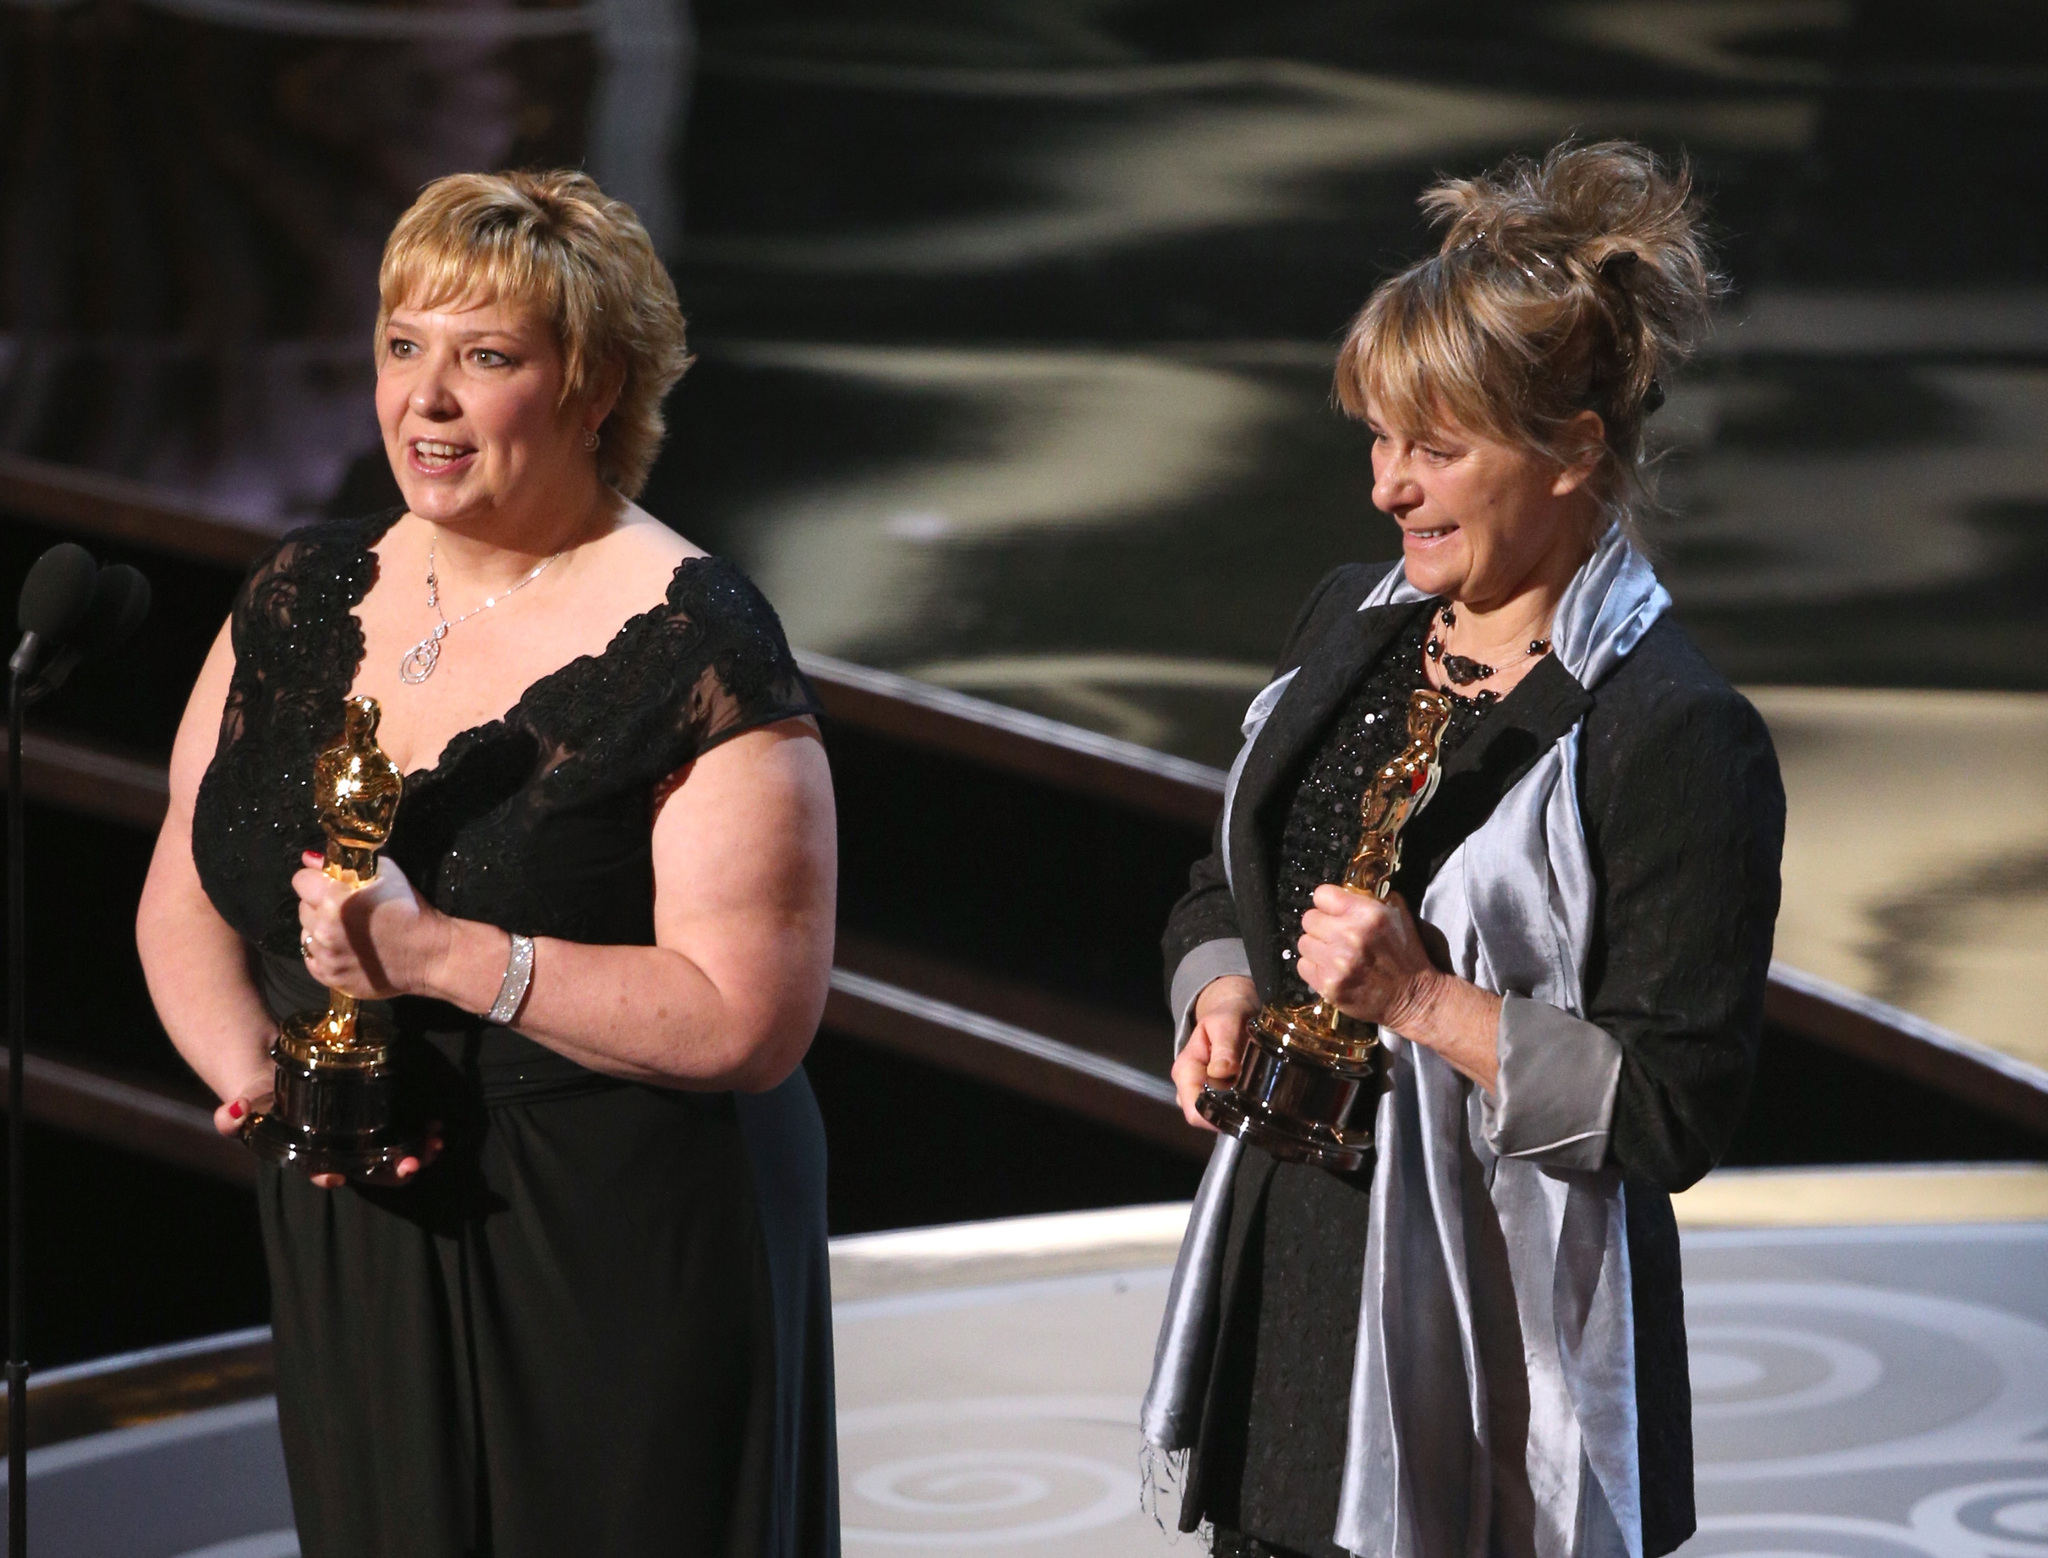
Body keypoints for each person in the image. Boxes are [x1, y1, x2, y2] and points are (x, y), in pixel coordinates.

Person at [135, 169, 840, 1558]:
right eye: (405, 347)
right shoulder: (299, 592)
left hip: (608, 1231)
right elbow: (185, 884)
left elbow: (749, 1016)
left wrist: (445, 958)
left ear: (595, 388)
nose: (427, 399)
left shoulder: (696, 639)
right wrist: (266, 1088)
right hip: (357, 1209)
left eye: (488, 358)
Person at [1142, 142, 1785, 1558]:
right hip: (1294, 1290)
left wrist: (1424, 1005)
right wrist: (1222, 997)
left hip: (1488, 1354)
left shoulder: (1669, 728)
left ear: (1573, 448)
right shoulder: (1349, 622)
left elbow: (1674, 1107)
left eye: (1436, 448)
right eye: (1378, 439)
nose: (1388, 486)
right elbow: (1223, 882)